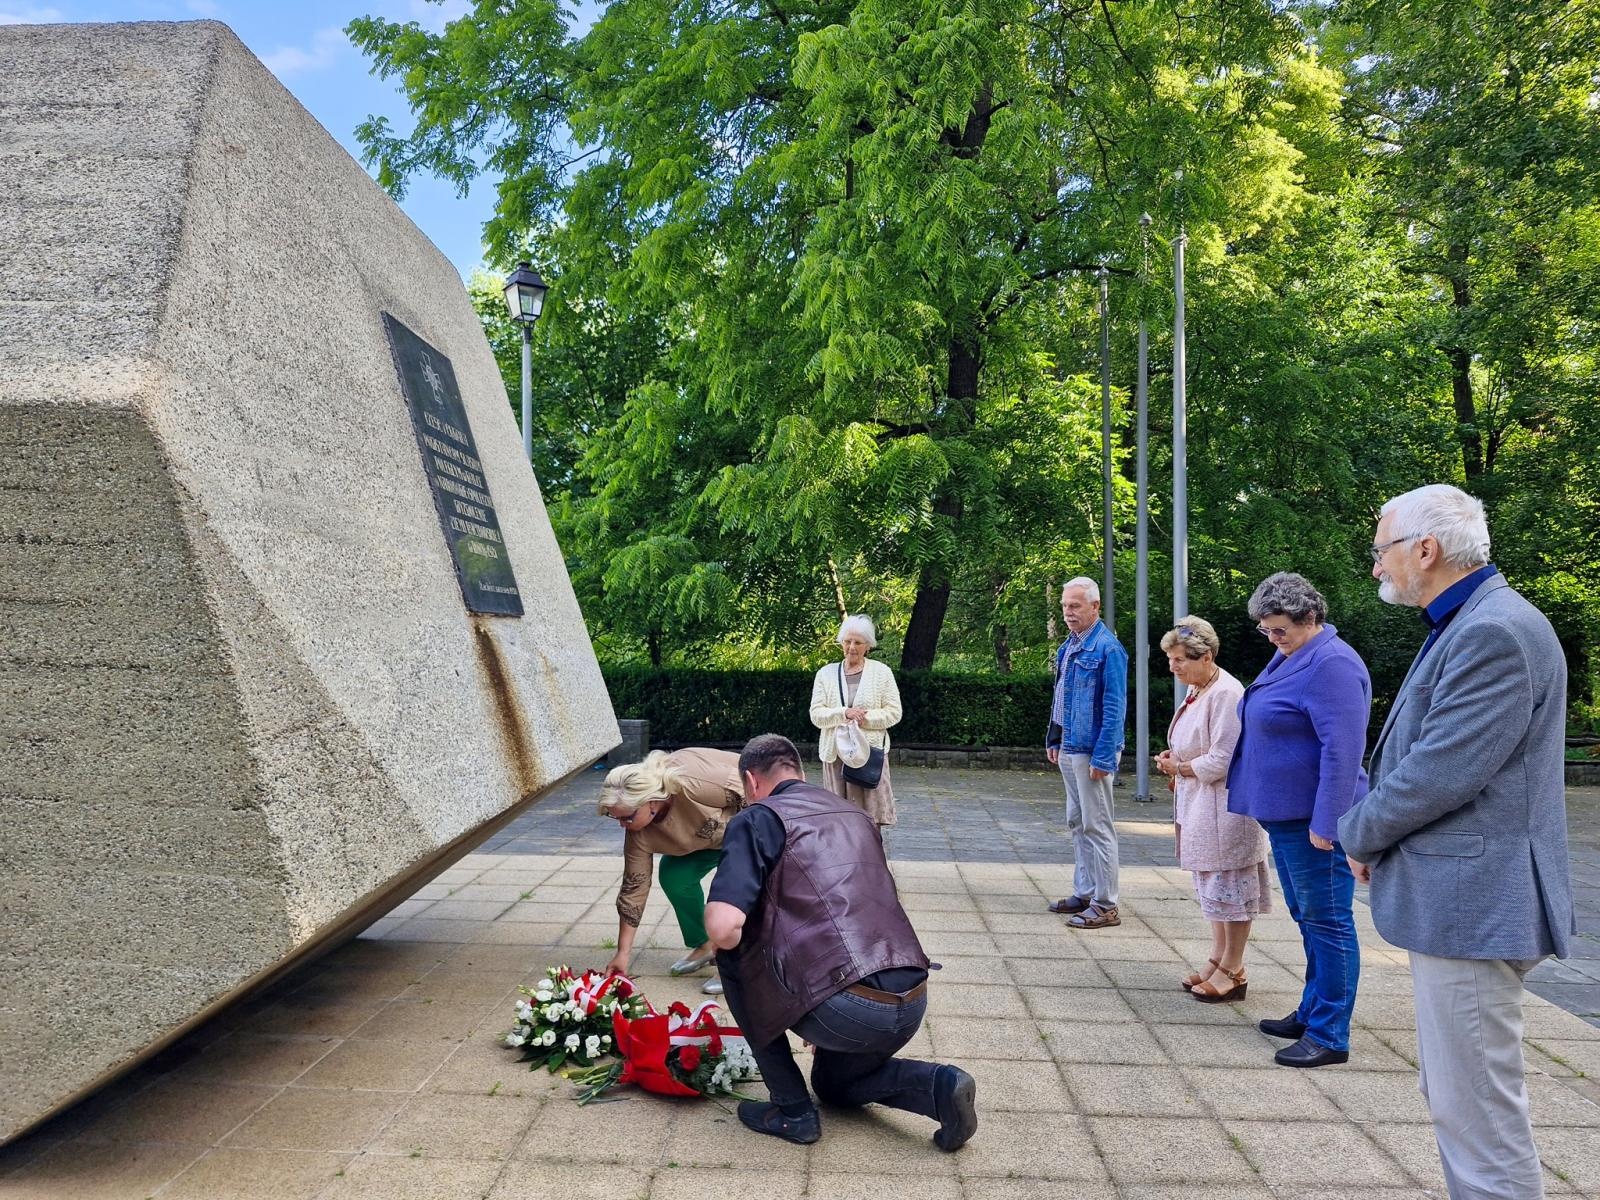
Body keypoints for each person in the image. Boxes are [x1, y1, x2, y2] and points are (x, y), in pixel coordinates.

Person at [1339, 485, 1574, 1200]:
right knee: (1458, 1094)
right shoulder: (1474, 619)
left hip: (1477, 905)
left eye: (1381, 550)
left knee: (1476, 1113)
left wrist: (1358, 833)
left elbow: (1439, 773)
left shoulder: (1493, 630)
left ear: (1426, 550)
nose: (1377, 567)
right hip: (1468, 898)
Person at [703, 734, 978, 1151]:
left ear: (751, 781)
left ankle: (792, 1111)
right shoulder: (854, 814)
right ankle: (940, 1086)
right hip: (910, 999)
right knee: (833, 1085)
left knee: (732, 955)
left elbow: (724, 928)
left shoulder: (758, 817)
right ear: (798, 770)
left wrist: (821, 999)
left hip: (849, 1007)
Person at [1226, 572, 1371, 1068]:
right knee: (1309, 918)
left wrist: (1329, 824)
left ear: (1310, 618)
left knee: (1329, 922)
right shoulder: (1296, 652)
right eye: (1266, 630)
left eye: (1278, 629)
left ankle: (1330, 1033)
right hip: (1287, 816)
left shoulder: (1330, 664)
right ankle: (1312, 1011)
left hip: (1314, 822)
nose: (1271, 638)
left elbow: (1344, 751)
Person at [1154, 617, 1268, 1003]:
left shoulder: (1225, 693)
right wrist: (1176, 757)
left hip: (1225, 809)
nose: (1173, 666)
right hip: (1203, 805)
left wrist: (1180, 767)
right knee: (1212, 889)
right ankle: (1217, 959)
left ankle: (1233, 969)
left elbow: (1222, 758)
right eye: (1170, 659)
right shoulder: (1199, 689)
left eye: (1180, 659)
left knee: (1229, 889)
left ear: (1207, 657)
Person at [598, 748, 742, 996]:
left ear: (651, 801)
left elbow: (758, 793)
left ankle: (736, 964)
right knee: (675, 877)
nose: (623, 825)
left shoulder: (692, 783)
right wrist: (623, 954)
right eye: (616, 818)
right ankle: (706, 944)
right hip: (706, 839)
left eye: (627, 817)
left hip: (745, 829)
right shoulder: (637, 832)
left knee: (732, 891)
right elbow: (634, 888)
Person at [1044, 577, 1128, 929]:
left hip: (1092, 750)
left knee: (1097, 825)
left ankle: (1106, 903)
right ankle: (1085, 891)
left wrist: (1104, 756)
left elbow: (1114, 707)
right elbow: (1062, 696)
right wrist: (1054, 737)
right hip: (1069, 746)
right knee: (1077, 822)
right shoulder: (1070, 646)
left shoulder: (1108, 648)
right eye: (1065, 606)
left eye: (1075, 606)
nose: (1068, 612)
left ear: (1095, 607)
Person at [809, 614, 903, 829]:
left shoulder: (882, 673)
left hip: (867, 754)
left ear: (867, 646)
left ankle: (872, 860)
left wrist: (863, 718)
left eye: (858, 642)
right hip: (836, 754)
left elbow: (894, 712)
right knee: (838, 818)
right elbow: (816, 714)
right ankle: (844, 861)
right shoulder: (825, 674)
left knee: (870, 819)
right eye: (847, 641)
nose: (851, 647)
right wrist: (844, 713)